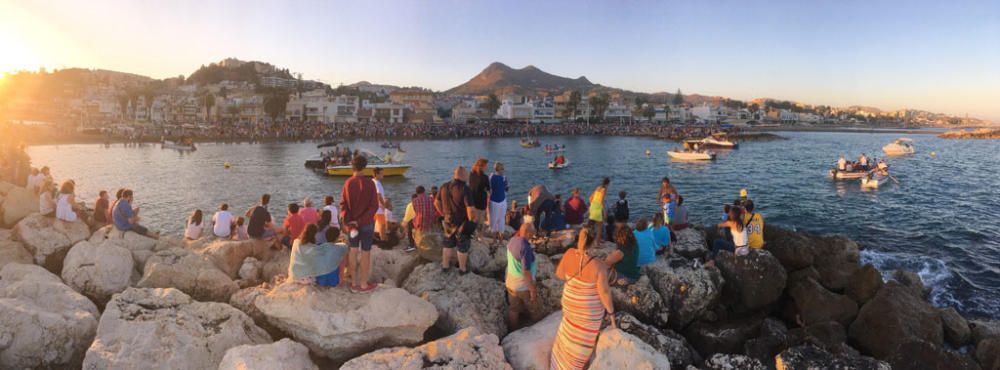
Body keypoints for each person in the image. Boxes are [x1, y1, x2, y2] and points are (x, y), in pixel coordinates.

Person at [551, 228, 616, 370]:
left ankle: (559, 365)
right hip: (588, 314)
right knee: (580, 347)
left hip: (569, 305)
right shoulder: (598, 265)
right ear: (594, 244)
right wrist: (611, 315)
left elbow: (560, 275)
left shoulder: (568, 254)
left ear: (578, 240)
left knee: (566, 338)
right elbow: (604, 292)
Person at [340, 155, 379, 293]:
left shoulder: (348, 183)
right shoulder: (370, 183)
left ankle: (354, 284)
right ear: (365, 166)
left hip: (352, 225)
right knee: (366, 252)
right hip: (367, 223)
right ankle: (363, 285)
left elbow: (343, 206)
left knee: (353, 250)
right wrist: (361, 221)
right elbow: (374, 206)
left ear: (352, 166)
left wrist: (349, 221)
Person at [434, 166, 474, 274]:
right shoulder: (465, 188)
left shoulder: (444, 186)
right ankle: (462, 269)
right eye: (467, 174)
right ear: (462, 175)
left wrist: (443, 213)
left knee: (447, 244)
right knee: (462, 246)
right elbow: (470, 208)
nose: (468, 176)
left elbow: (436, 202)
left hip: (447, 221)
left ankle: (445, 266)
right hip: (461, 222)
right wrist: (471, 221)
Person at [506, 223, 543, 329]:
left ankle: (513, 330)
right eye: (532, 233)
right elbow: (526, 271)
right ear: (527, 233)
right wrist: (532, 290)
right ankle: (539, 330)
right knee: (535, 309)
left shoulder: (512, 240)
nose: (533, 236)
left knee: (514, 309)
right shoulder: (525, 248)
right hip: (523, 286)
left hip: (511, 283)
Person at [468, 158, 491, 235]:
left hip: (472, 201)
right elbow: (488, 189)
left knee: (474, 220)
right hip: (481, 201)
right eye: (486, 166)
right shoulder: (485, 177)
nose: (487, 167)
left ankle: (473, 234)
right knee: (481, 221)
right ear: (482, 166)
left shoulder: (471, 174)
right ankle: (480, 236)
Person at [488, 162, 509, 240]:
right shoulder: (504, 177)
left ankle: (494, 240)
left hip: (494, 201)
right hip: (502, 201)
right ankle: (501, 240)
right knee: (501, 219)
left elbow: (489, 188)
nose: (503, 170)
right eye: (503, 169)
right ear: (500, 169)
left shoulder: (491, 176)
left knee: (493, 220)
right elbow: (507, 189)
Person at [588, 177, 610, 242]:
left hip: (592, 207)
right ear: (608, 184)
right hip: (598, 208)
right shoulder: (604, 189)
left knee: (593, 226)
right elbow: (601, 201)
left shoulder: (597, 188)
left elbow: (590, 198)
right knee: (599, 228)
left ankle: (592, 240)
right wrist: (605, 212)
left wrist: (592, 206)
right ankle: (597, 243)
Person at [372, 167, 389, 241]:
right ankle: (383, 239)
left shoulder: (372, 181)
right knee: (382, 224)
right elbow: (378, 195)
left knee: (372, 223)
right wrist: (384, 205)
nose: (383, 175)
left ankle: (372, 237)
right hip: (379, 208)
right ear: (377, 174)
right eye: (381, 173)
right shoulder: (377, 183)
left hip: (374, 207)